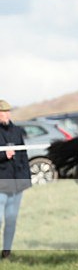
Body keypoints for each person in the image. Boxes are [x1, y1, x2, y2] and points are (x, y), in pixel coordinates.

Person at [0, 99, 32, 258]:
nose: (5, 115)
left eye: (7, 112)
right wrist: (3, 155)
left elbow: (23, 155)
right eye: (2, 112)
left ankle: (7, 251)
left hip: (16, 182)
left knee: (11, 220)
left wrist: (26, 179)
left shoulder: (17, 131)